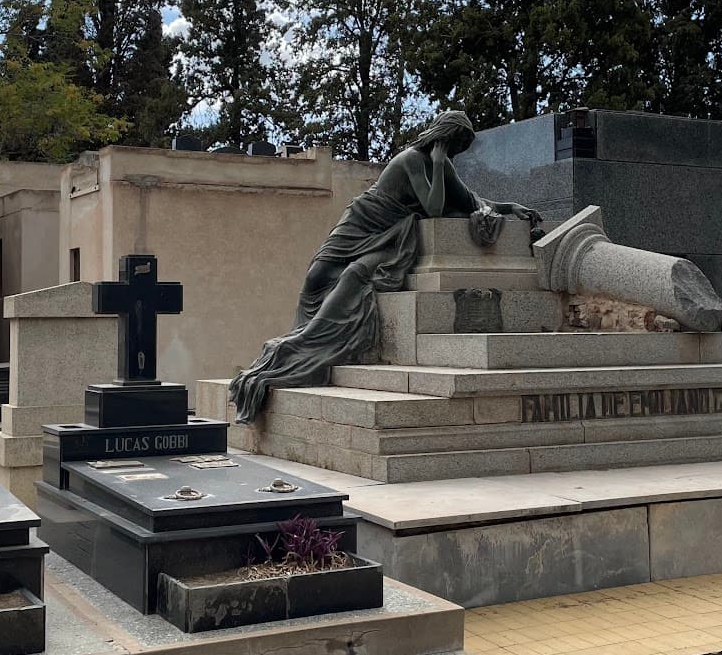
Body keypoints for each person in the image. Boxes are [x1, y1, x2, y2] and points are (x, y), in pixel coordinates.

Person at [230, 110, 537, 422]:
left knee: (352, 277)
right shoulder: (412, 159)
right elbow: (433, 207)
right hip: (364, 220)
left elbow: (468, 199)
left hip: (390, 234)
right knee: (317, 276)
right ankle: (303, 333)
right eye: (455, 144)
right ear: (444, 137)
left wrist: (508, 207)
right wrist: (438, 159)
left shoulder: (441, 165)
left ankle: (302, 346)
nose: (457, 152)